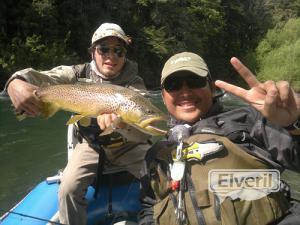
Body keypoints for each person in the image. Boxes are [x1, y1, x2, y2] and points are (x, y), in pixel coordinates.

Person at [5, 22, 152, 225]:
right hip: (91, 145)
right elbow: (40, 77)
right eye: (104, 49)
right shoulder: (76, 74)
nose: (111, 56)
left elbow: (143, 134)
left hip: (128, 146)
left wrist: (121, 125)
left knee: (162, 175)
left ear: (124, 54)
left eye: (118, 50)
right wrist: (15, 82)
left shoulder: (134, 83)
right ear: (92, 52)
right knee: (67, 189)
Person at [139, 52, 300, 225]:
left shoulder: (251, 120)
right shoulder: (155, 155)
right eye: (173, 85)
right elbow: (149, 209)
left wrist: (293, 125)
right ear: (163, 97)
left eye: (195, 81)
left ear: (212, 87)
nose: (185, 91)